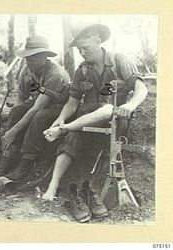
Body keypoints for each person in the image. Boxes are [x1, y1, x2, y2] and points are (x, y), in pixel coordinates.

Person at [42, 24, 148, 223]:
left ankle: (63, 131)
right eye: (79, 49)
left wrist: (131, 105)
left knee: (106, 110)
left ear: (98, 41)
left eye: (86, 47)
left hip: (114, 118)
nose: (82, 52)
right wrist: (61, 118)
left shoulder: (119, 61)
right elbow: (73, 101)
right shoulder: (82, 70)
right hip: (85, 120)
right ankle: (53, 186)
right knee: (72, 138)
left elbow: (141, 88)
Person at [0, 36, 71, 182]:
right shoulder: (26, 71)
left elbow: (39, 106)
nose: (28, 62)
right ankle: (9, 157)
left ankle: (27, 161)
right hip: (38, 104)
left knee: (40, 116)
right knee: (17, 110)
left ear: (44, 58)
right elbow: (22, 98)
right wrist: (13, 116)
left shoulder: (55, 75)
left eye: (33, 59)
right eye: (27, 58)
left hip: (60, 108)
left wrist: (13, 131)